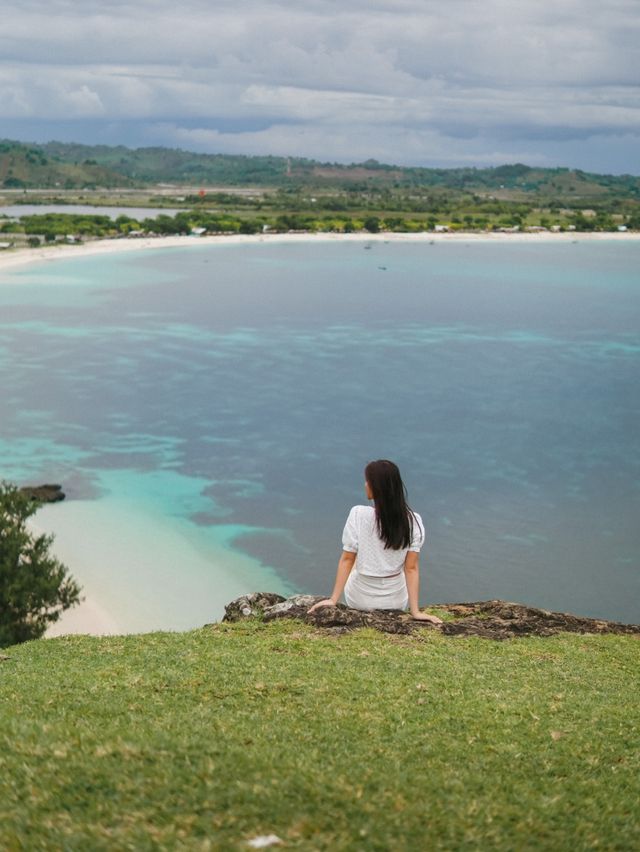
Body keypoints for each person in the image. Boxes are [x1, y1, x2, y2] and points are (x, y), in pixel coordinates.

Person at [308, 460, 443, 623]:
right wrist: (415, 612)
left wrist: (333, 600)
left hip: (360, 599)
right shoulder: (414, 521)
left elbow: (347, 559)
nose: (365, 485)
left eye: (367, 481)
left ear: (375, 486)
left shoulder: (358, 514)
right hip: (395, 601)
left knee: (356, 558)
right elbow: (411, 568)